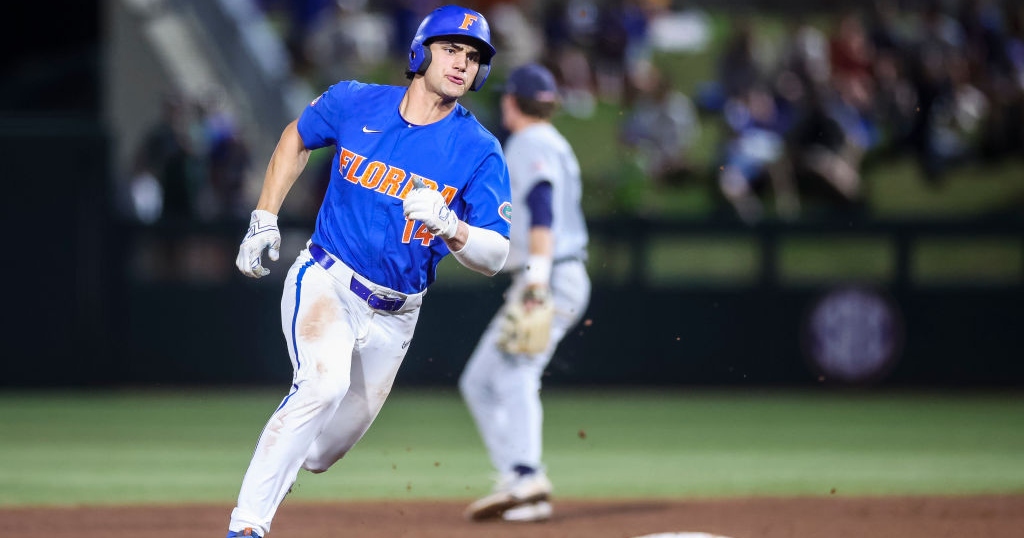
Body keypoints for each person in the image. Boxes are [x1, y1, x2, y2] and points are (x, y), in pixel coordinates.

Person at [224, 6, 512, 538]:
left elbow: (496, 255)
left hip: (395, 316)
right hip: (327, 278)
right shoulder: (356, 100)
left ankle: (276, 465)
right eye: (451, 49)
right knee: (322, 384)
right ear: (421, 51)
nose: (462, 63)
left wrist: (452, 225)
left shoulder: (479, 150)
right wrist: (264, 215)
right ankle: (246, 527)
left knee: (318, 454)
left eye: (473, 58)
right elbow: (296, 136)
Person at [459, 62, 591, 523]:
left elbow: (541, 210)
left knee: (516, 372)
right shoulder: (552, 140)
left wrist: (535, 280)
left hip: (550, 274)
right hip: (553, 273)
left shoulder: (530, 141)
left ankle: (527, 473)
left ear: (512, 102)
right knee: (479, 381)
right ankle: (522, 483)